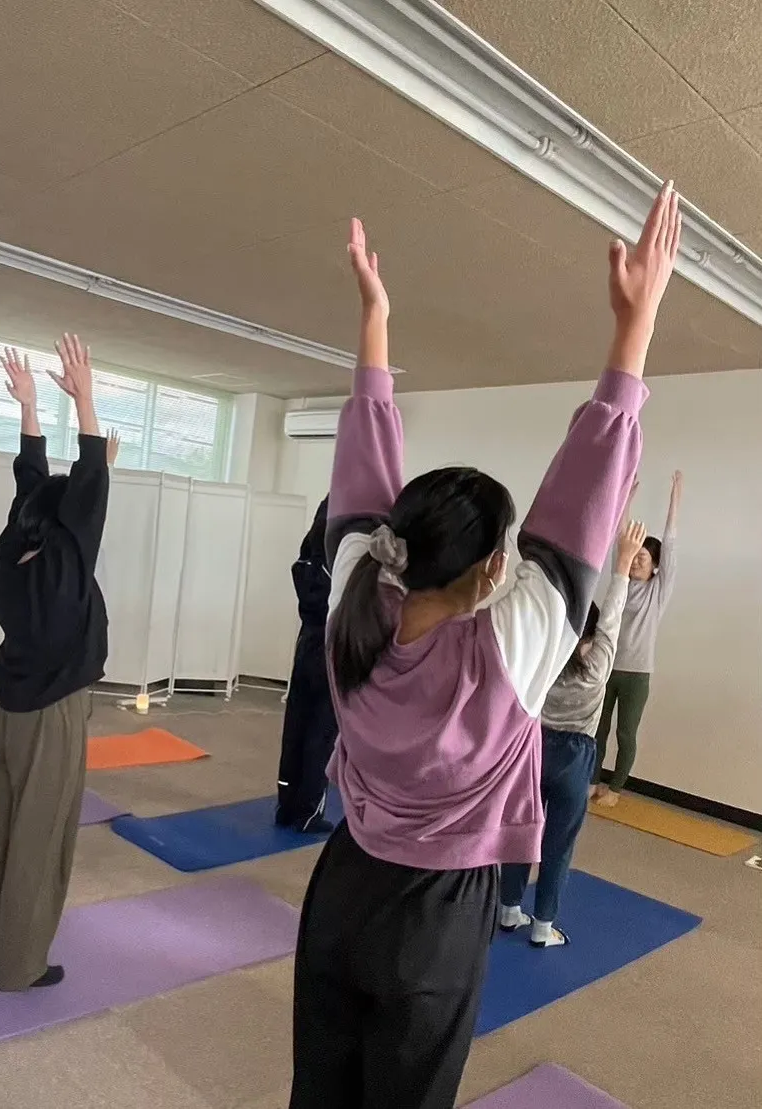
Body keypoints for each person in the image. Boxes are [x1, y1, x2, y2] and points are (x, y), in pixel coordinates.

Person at [289, 182, 679, 1109]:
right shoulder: (511, 645)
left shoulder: (355, 604)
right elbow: (587, 494)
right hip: (439, 913)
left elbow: (364, 464)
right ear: (495, 561)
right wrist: (634, 328)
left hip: (342, 889)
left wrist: (374, 323)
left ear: (401, 544)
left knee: (321, 1089)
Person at [0, 336, 110, 993]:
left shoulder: (14, 546)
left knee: (1, 822)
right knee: (40, 836)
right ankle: (20, 964)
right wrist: (82, 402)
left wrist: (30, 410)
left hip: (10, 706)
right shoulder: (67, 557)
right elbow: (82, 489)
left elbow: (34, 483)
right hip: (55, 711)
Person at [499, 519, 648, 948]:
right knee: (558, 843)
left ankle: (509, 910)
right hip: (576, 754)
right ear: (592, 628)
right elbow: (614, 615)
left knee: (520, 829)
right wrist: (622, 563)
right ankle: (543, 927)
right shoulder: (600, 662)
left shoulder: (544, 655)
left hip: (532, 746)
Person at [593, 471, 682, 806]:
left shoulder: (657, 593)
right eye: (634, 559)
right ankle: (591, 781)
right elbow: (622, 538)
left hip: (637, 675)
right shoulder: (621, 585)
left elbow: (670, 546)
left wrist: (674, 500)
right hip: (606, 668)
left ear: (655, 567)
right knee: (596, 731)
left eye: (642, 559)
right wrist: (625, 500)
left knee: (625, 733)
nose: (634, 563)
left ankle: (615, 789)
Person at [275, 495, 337, 833]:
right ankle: (309, 812)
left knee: (297, 724)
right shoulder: (342, 546)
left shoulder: (310, 544)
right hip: (329, 642)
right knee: (322, 729)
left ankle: (286, 805)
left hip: (307, 639)